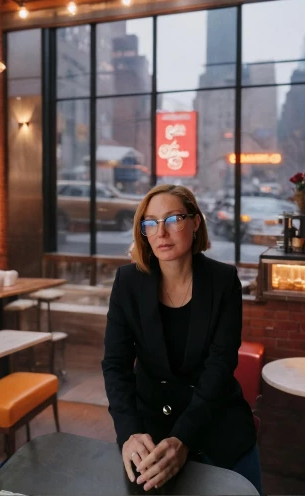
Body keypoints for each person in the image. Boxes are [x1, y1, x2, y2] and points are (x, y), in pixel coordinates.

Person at [102, 184, 261, 494]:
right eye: (150, 223)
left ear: (195, 222)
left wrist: (184, 438)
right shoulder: (128, 282)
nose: (161, 232)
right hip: (151, 425)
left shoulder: (223, 281)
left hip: (215, 417)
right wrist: (129, 433)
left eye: (173, 219)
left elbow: (220, 364)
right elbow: (115, 365)